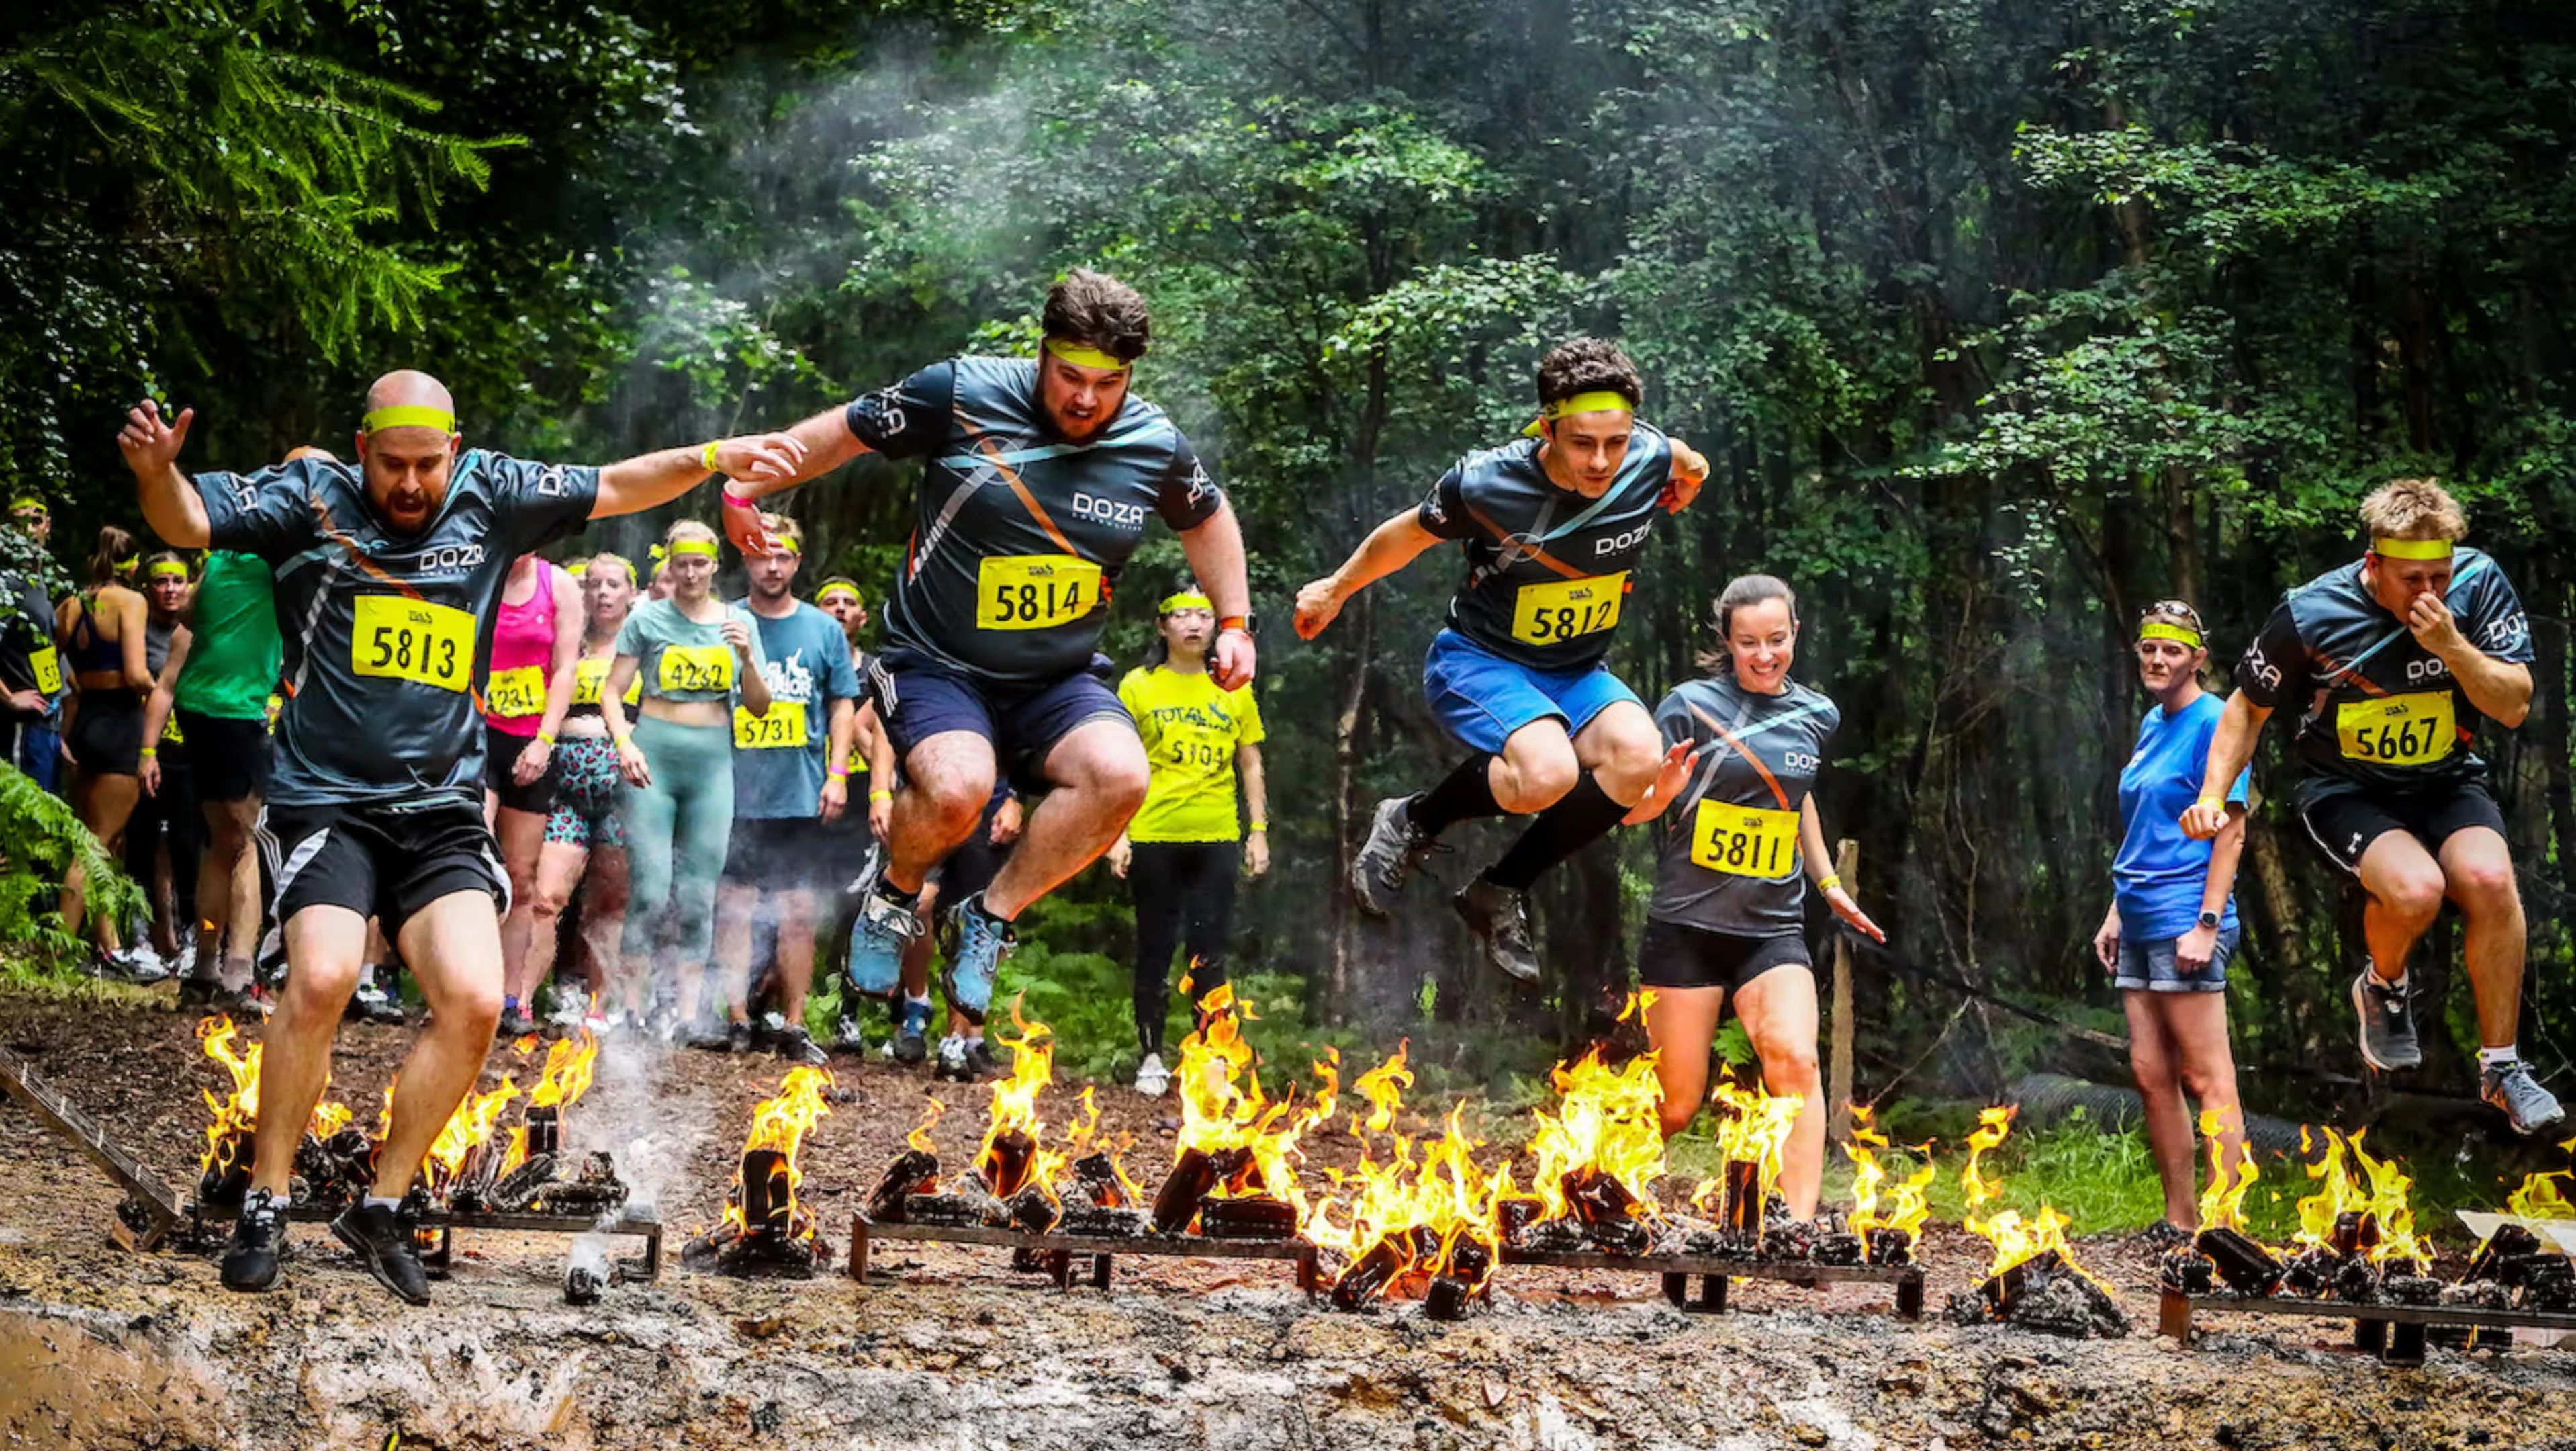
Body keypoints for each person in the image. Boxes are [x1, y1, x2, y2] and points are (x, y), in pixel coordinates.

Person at [120, 371, 800, 1303]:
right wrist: (159, 473)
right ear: (362, 449)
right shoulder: (306, 500)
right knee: (319, 977)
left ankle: (383, 1205)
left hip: (440, 807)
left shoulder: (492, 492)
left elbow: (617, 482)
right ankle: (267, 1201)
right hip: (329, 800)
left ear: (454, 449)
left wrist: (715, 458)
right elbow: (186, 520)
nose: (408, 485)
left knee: (478, 1001)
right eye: (392, 465)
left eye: (426, 466)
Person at [712, 268, 1256, 1035]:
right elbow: (843, 432)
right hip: (938, 662)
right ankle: (898, 890)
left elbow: (1207, 517)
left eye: (1108, 383)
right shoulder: (961, 393)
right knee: (959, 787)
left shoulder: (1151, 440)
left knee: (1121, 775)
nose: (1085, 400)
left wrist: (1234, 622)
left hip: (1055, 677)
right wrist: (742, 494)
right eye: (1070, 376)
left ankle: (990, 919)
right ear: (1042, 355)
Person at [1293, 337, 1708, 982]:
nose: (1602, 461)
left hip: (1576, 671)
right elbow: (1403, 537)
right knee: (1549, 774)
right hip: (1481, 661)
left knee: (1639, 757)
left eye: (1615, 442)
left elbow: (1687, 460)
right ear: (1546, 426)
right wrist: (1335, 588)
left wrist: (1692, 479)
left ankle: (1498, 890)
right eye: (1581, 443)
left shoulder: (1648, 455)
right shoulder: (1486, 483)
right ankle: (1412, 818)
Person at [2184, 478, 2561, 1133]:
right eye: (2410, 579)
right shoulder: (2308, 614)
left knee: (2489, 879)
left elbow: (2513, 703)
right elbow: (2246, 708)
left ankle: (2500, 1068)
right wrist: (2212, 796)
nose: (2428, 594)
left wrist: (2450, 646)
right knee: (2417, 891)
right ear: (2372, 566)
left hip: (2445, 781)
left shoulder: (2475, 587)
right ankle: (2382, 987)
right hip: (2345, 789)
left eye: (2437, 576)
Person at [1617, 575, 1880, 1221]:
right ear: (1727, 643)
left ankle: (1796, 1225)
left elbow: (1796, 797)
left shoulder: (1817, 714)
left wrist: (1828, 884)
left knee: (1794, 1060)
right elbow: (1632, 812)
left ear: (1796, 632)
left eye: (1777, 639)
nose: (1765, 655)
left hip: (1772, 928)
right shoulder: (1688, 705)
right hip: (1686, 928)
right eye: (1748, 643)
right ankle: (1594, 1190)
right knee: (1676, 1104)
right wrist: (1663, 788)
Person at [2091, 600, 2250, 1239]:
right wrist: (2113, 914)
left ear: (2198, 660)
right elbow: (2143, 827)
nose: (2159, 660)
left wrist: (2207, 925)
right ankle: (2179, 1220)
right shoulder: (2154, 723)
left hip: (2189, 913)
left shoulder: (2215, 722)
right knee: (2152, 1074)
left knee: (2206, 1074)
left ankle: (2227, 1229)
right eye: (2150, 649)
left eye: (2174, 651)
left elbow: (2232, 832)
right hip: (2138, 915)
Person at [598, 519, 774, 1049]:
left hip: (712, 764)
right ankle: (631, 1010)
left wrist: (745, 657)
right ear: (669, 567)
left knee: (700, 896)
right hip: (654, 759)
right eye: (682, 563)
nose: (691, 573)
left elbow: (762, 707)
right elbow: (611, 692)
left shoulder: (739, 622)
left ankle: (690, 1016)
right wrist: (625, 744)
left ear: (715, 566)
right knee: (650, 892)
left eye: (700, 563)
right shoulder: (647, 619)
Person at [142, 459, 297, 1012]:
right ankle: (238, 975)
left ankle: (205, 967)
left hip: (202, 711)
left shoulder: (224, 555)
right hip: (233, 714)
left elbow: (189, 611)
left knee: (219, 843)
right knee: (246, 845)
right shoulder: (277, 558)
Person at [1107, 584, 1268, 1096]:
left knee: (1209, 950)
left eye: (1204, 615)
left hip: (1217, 834)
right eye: (1182, 616)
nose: (1195, 625)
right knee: (1155, 947)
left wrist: (1258, 832)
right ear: (1162, 626)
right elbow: (1115, 762)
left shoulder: (1235, 685)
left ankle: (1211, 1057)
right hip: (1153, 833)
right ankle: (1151, 1055)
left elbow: (1251, 762)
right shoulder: (1137, 685)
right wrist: (1116, 834)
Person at [712, 514, 860, 1066]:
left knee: (799, 910)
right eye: (760, 555)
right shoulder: (722, 621)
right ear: (746, 560)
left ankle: (795, 1023)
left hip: (801, 792)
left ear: (797, 562)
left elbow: (841, 702)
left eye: (782, 556)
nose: (771, 566)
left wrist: (839, 772)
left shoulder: (823, 630)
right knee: (735, 909)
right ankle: (736, 1018)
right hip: (734, 790)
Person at [520, 552, 640, 1032]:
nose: (602, 593)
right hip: (564, 787)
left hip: (623, 793)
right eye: (593, 584)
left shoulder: (645, 649)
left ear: (633, 594)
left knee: (610, 903)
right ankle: (521, 1000)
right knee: (545, 897)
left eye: (613, 585)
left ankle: (598, 1005)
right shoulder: (563, 646)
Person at [482, 552, 582, 1037]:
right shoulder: (478, 569)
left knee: (521, 878)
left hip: (529, 739)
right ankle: (465, 988)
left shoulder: (558, 584)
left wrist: (545, 739)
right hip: (475, 736)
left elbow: (565, 668)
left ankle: (509, 996)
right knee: (473, 864)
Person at [56, 527, 156, 965]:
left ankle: (109, 946)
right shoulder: (131, 602)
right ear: (132, 565)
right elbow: (135, 672)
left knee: (99, 841)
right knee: (96, 844)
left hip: (83, 722)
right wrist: (163, 690)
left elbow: (58, 670)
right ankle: (57, 947)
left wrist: (61, 727)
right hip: (120, 722)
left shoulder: (70, 604)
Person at [122, 553, 201, 978]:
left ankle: (192, 939)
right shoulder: (139, 630)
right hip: (146, 749)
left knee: (190, 848)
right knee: (140, 843)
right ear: (147, 588)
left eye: (178, 581)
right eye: (161, 582)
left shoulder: (196, 631)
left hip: (189, 752)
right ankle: (139, 938)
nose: (171, 589)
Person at [7, 494, 70, 792]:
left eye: (35, 521)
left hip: (47, 722)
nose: (29, 530)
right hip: (20, 724)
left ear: (47, 526)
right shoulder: (7, 582)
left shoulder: (40, 581)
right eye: (20, 523)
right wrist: (8, 698)